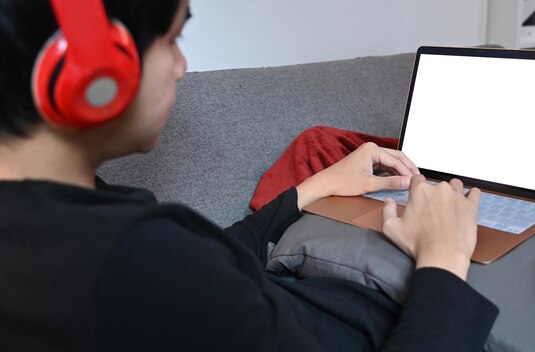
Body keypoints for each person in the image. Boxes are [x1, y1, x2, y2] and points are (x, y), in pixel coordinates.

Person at [0, 0, 498, 351]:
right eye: (171, 41)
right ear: (91, 73)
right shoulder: (133, 258)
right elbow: (175, 271)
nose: (181, 66)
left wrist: (313, 188)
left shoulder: (62, 222)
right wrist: (443, 257)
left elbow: (200, 271)